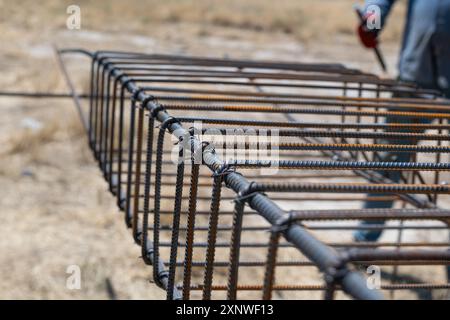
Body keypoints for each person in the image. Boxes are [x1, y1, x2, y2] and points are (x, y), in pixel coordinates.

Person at [355, 0, 450, 281]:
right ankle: (363, 245)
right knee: (389, 162)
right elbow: (377, 5)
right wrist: (370, 24)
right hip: (414, 79)